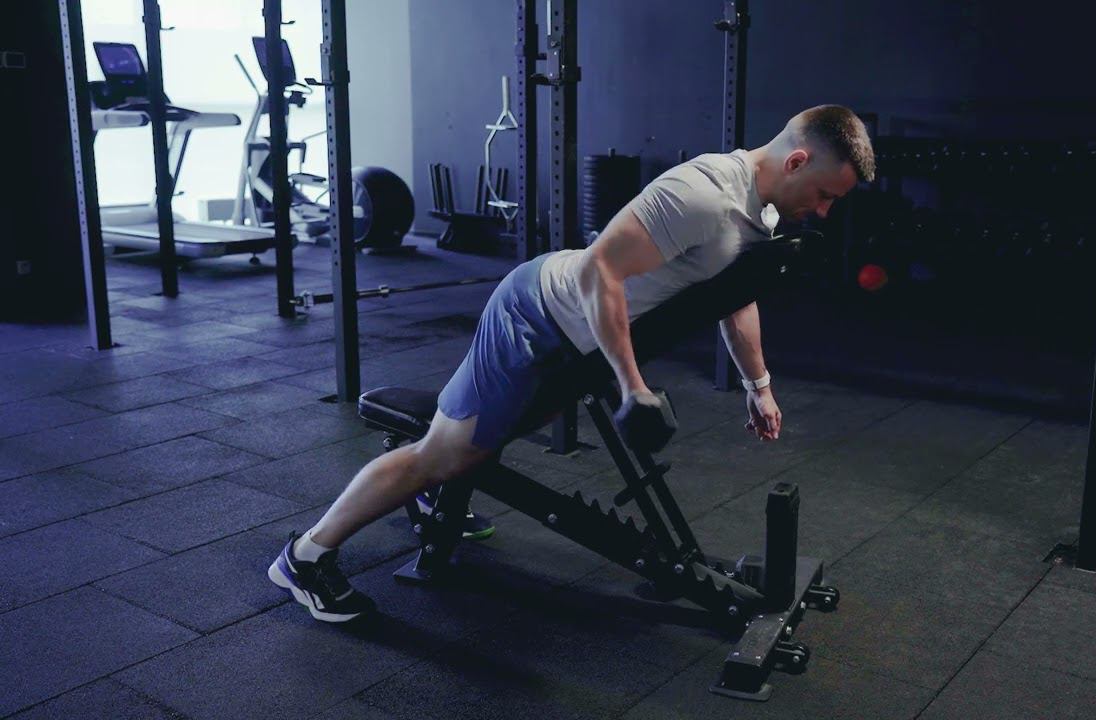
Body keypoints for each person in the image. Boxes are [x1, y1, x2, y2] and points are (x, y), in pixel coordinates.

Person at [268, 105, 877, 622]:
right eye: (825, 195)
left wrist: (758, 384)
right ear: (797, 161)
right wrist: (632, 386)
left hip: (573, 336)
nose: (824, 211)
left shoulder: (762, 212)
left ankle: (440, 491)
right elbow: (598, 270)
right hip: (534, 317)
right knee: (443, 454)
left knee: (497, 432)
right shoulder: (703, 194)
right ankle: (306, 557)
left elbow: (734, 296)